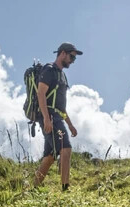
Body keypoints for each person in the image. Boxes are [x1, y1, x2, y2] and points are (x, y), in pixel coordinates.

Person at [34, 42, 82, 191]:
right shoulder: (49, 70)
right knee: (65, 149)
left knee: (50, 157)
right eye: (72, 57)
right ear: (62, 53)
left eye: (74, 58)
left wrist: (70, 124)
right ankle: (65, 189)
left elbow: (61, 106)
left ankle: (33, 189)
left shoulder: (62, 76)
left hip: (57, 116)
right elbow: (41, 93)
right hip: (50, 116)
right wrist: (46, 118)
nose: (73, 61)